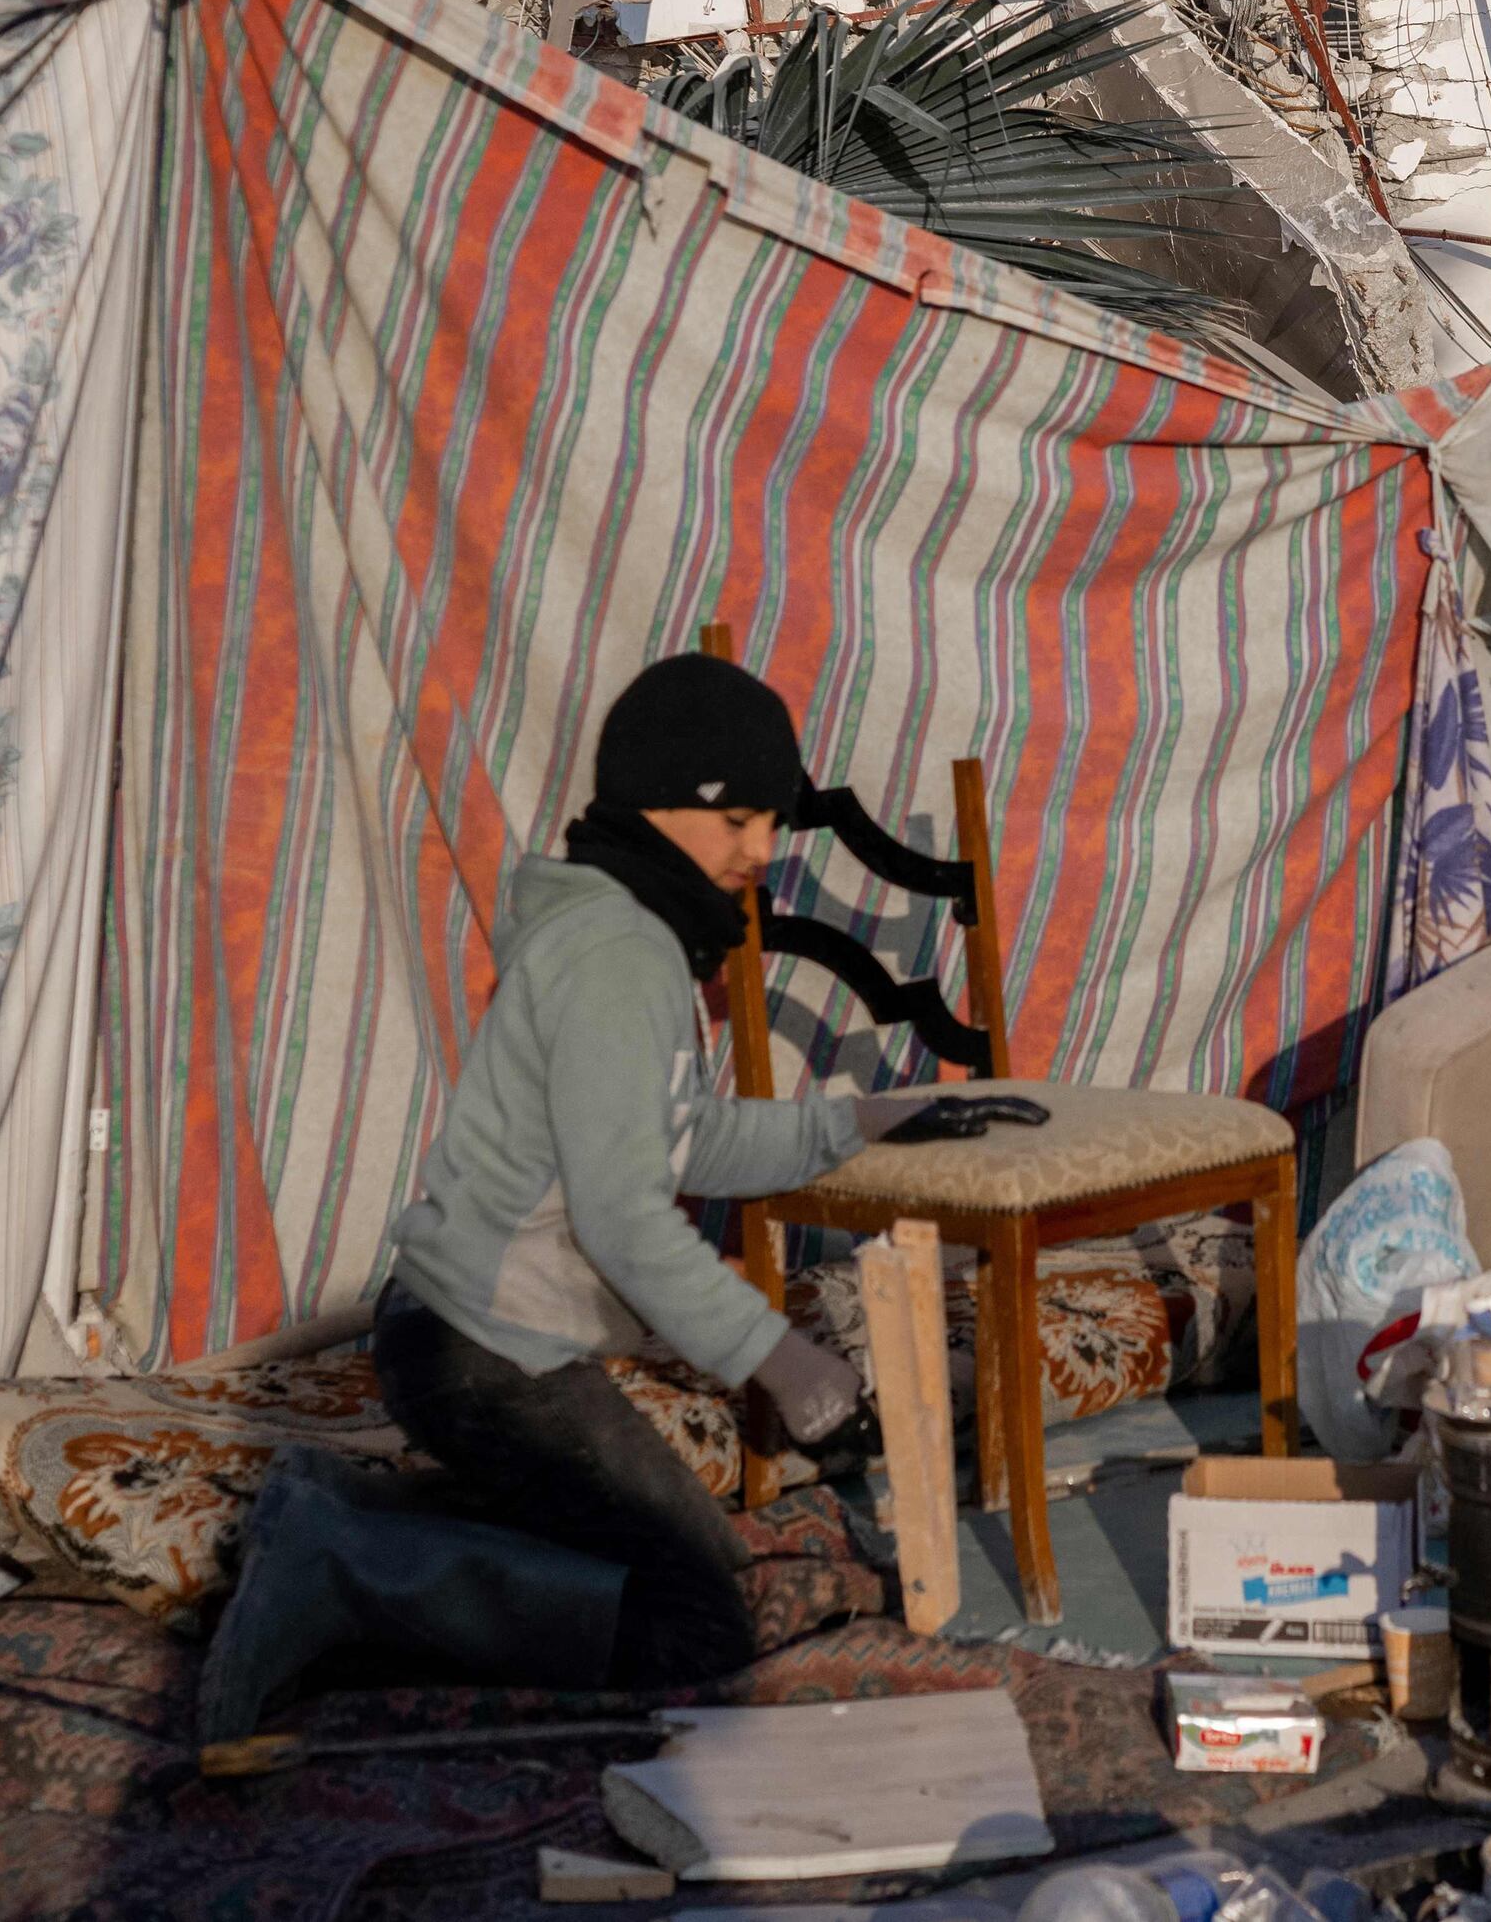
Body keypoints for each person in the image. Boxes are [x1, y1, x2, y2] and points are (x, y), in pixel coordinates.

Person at [203, 652, 940, 1736]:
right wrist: (781, 1358)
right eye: (736, 818)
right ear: (657, 805)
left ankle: (344, 1510)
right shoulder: (621, 953)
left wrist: (858, 1122)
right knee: (697, 1624)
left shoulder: (625, 928)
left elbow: (680, 1141)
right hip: (489, 1357)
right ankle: (343, 1567)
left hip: (468, 1337)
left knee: (648, 1554)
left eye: (769, 821)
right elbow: (623, 1216)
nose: (760, 850)